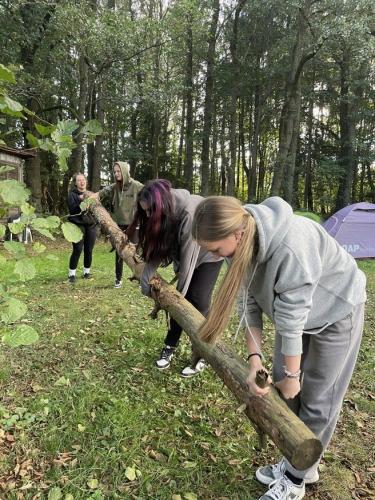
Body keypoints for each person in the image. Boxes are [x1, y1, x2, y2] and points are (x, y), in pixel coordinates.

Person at [192, 195, 366, 500]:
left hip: (338, 310)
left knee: (318, 400)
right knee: (283, 392)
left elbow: (291, 318)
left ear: (237, 234)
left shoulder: (291, 246)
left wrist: (292, 374)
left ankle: (297, 478)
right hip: (298, 319)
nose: (215, 257)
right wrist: (254, 359)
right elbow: (249, 304)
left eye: (215, 249)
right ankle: (295, 462)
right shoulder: (240, 246)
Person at [127, 179, 223, 377]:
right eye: (143, 211)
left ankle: (201, 353)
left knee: (197, 300)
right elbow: (159, 249)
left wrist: (174, 300)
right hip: (188, 253)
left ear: (159, 205)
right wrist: (146, 280)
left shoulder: (189, 215)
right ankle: (170, 345)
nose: (146, 215)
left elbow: (188, 267)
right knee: (181, 298)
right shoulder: (166, 211)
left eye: (148, 211)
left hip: (209, 255)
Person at [92, 161, 143, 288]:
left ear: (125, 171)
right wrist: (94, 195)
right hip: (118, 225)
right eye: (114, 172)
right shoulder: (115, 187)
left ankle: (142, 277)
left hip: (133, 224)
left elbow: (149, 192)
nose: (116, 174)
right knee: (119, 252)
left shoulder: (136, 185)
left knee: (136, 252)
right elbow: (104, 191)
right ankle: (118, 279)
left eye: (118, 171)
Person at [67, 173, 97, 283]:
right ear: (75, 183)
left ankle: (86, 273)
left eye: (83, 180)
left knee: (89, 250)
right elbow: (73, 210)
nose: (81, 182)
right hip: (78, 225)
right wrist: (81, 200)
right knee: (78, 249)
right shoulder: (72, 195)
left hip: (91, 225)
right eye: (79, 180)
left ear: (86, 181)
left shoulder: (91, 194)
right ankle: (71, 275)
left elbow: (97, 210)